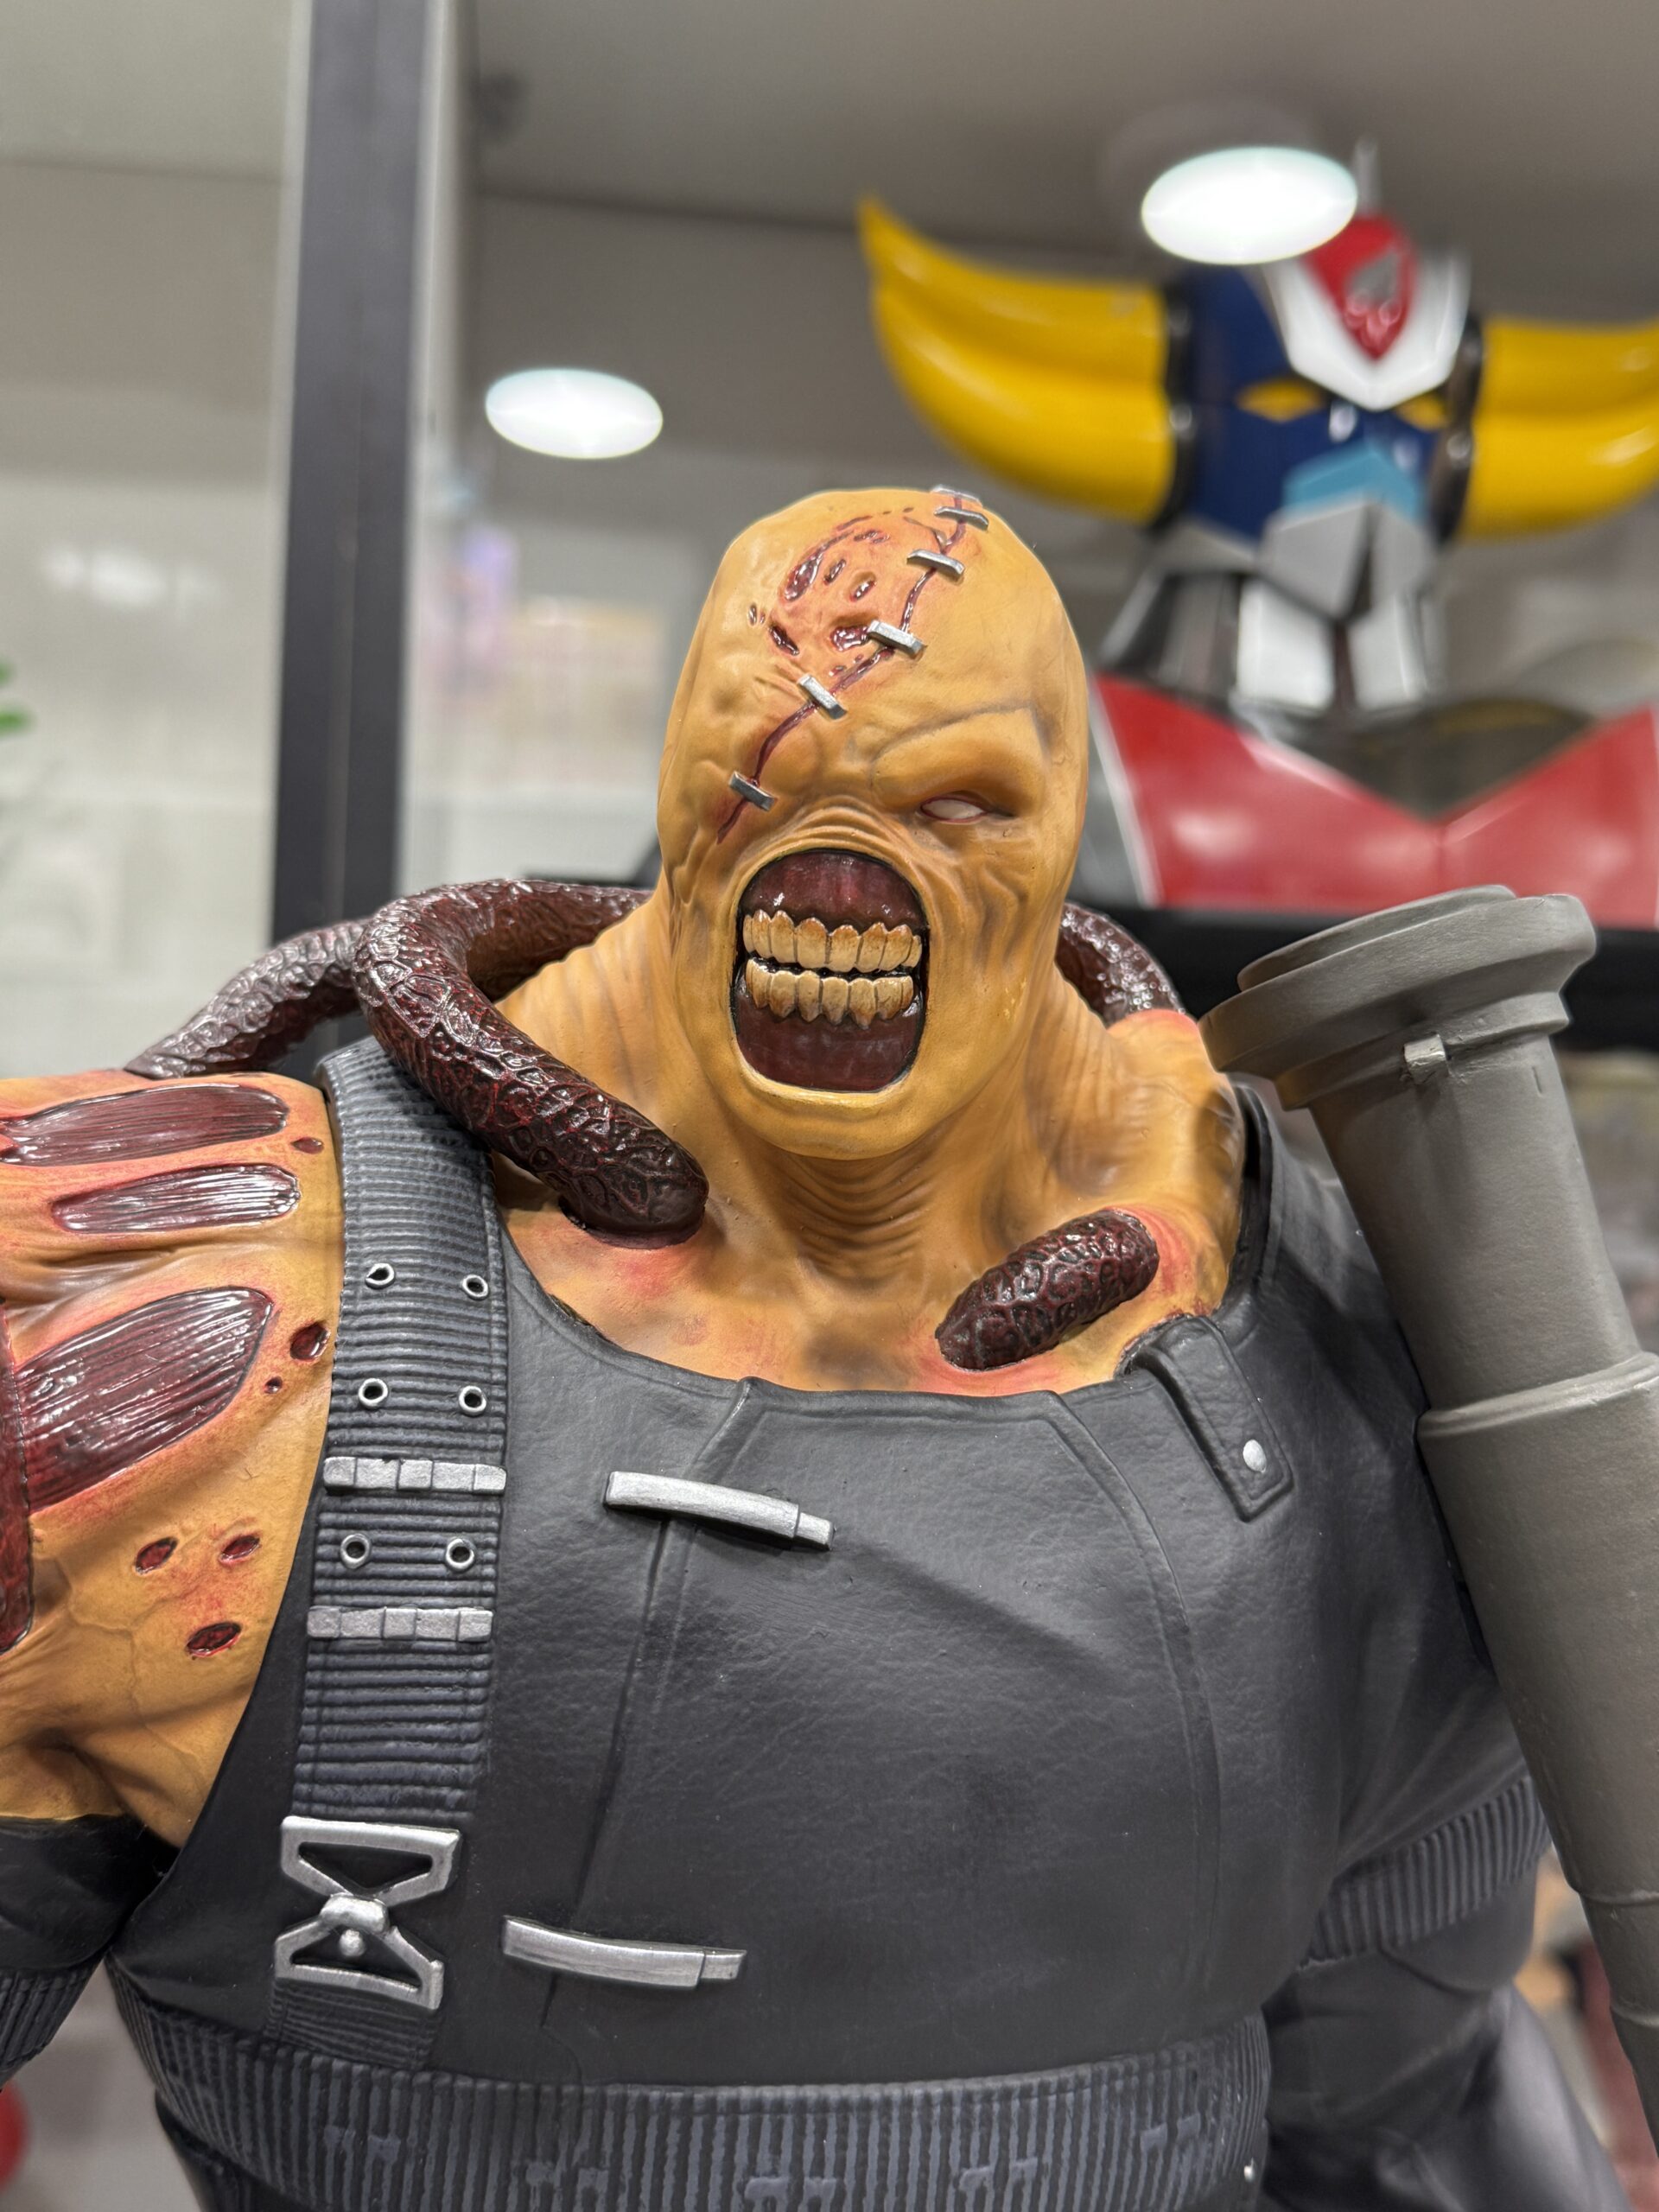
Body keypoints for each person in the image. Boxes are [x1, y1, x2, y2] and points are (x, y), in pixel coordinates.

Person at [0, 490, 1624, 2209]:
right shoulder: (172, 1327)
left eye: (961, 800)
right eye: (764, 780)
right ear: (681, 788)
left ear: (1061, 820)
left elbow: (1408, 2098)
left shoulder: (1332, 1332)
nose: (846, 860)